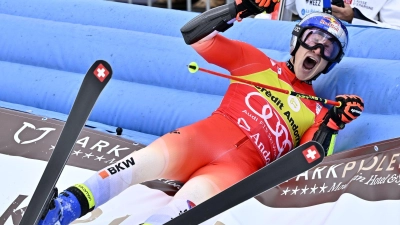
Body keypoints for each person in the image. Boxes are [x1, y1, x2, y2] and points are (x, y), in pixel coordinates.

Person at [38, 1, 364, 225]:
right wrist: (241, 8)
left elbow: (312, 156)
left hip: (234, 172)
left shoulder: (317, 110)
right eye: (314, 39)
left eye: (329, 48)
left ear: (330, 63)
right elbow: (193, 34)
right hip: (198, 140)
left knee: (179, 214)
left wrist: (332, 125)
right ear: (297, 41)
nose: (318, 50)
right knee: (134, 165)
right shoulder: (257, 63)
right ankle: (60, 210)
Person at [294, 0, 400, 29]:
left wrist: (354, 18)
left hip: (355, 48)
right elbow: (288, 8)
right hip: (304, 36)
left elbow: (395, 33)